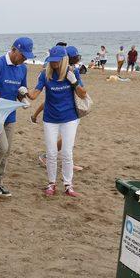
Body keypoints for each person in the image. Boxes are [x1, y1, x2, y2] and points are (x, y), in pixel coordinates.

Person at [27, 46, 87, 197]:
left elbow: (83, 94)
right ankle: (51, 184)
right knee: (51, 153)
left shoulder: (73, 72)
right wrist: (23, 92)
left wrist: (74, 82)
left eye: (56, 61)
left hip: (69, 117)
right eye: (51, 61)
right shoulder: (45, 74)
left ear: (64, 59)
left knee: (67, 152)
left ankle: (68, 186)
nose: (54, 64)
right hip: (50, 118)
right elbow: (34, 95)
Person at [0, 38, 34, 197]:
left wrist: (23, 98)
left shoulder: (23, 69)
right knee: (2, 148)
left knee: (7, 151)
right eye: (23, 55)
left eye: (27, 56)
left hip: (10, 115)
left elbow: (21, 91)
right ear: (14, 50)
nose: (24, 59)